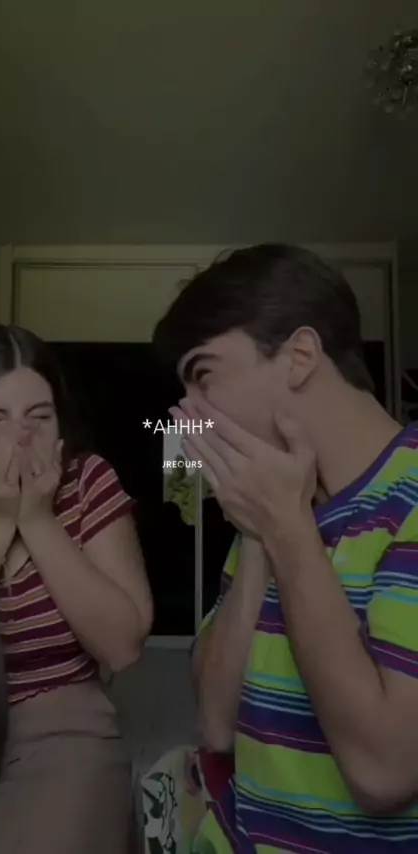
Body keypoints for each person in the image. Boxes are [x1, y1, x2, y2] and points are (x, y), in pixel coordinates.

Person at [151, 244, 418, 852]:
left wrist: (289, 534)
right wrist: (261, 533)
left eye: (203, 375)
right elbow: (216, 724)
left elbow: (385, 771)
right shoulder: (268, 512)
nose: (185, 416)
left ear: (299, 357)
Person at [0, 324, 153, 854]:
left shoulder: (85, 481)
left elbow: (122, 645)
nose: (20, 437)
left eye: (39, 416)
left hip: (64, 734)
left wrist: (34, 517)